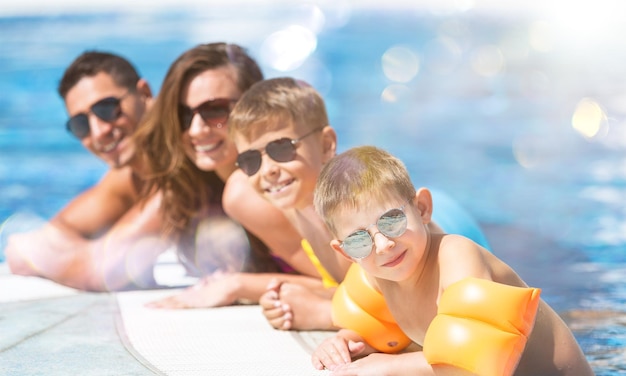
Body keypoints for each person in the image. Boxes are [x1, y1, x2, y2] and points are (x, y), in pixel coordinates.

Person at [227, 77, 491, 331]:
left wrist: (324, 314)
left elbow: (427, 309)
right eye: (250, 161)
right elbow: (349, 287)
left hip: (440, 223)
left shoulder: (364, 222)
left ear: (327, 144)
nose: (267, 170)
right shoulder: (289, 196)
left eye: (281, 149)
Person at [310, 145, 594, 375]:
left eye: (392, 221)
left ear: (422, 209)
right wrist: (346, 342)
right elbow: (378, 331)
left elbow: (473, 362)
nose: (383, 245)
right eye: (360, 240)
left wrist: (390, 367)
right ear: (346, 251)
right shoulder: (377, 274)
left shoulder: (456, 258)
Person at [133, 43, 325, 309]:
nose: (197, 129)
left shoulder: (246, 189)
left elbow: (338, 284)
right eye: (184, 115)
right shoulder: (203, 187)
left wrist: (237, 285)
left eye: (215, 111)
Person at [4, 51, 166, 291]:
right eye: (81, 124)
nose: (99, 131)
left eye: (106, 109)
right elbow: (51, 236)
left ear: (144, 94)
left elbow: (103, 270)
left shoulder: (186, 168)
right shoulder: (128, 178)